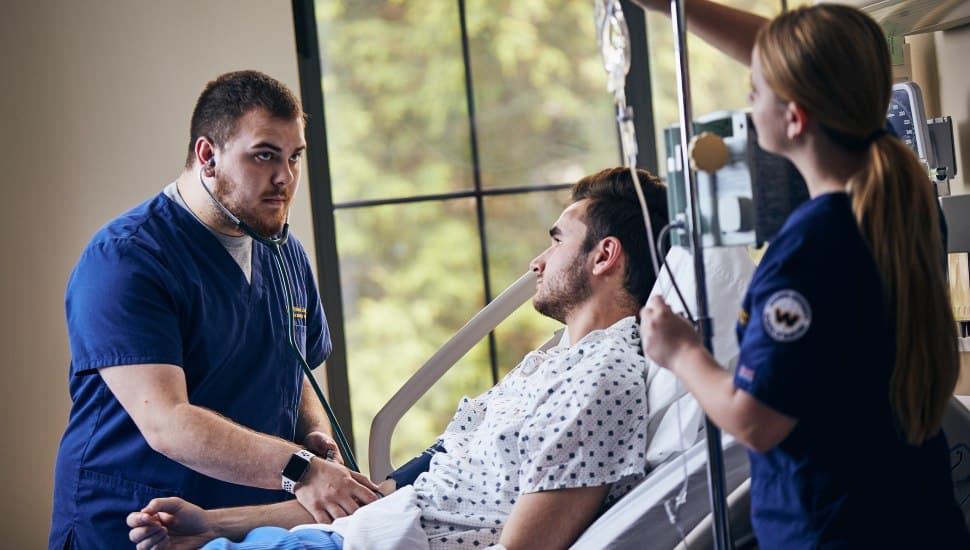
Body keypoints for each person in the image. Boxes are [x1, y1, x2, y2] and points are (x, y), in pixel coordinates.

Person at [127, 167, 674, 550]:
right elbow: (398, 488)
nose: (538, 260)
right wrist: (220, 525)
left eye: (557, 240)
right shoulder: (549, 367)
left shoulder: (603, 379)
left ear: (604, 255)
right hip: (349, 533)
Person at [633, 1, 969, 548]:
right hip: (917, 516)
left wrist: (679, 352)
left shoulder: (811, 249)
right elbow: (825, 66)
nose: (746, 102)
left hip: (836, 530)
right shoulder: (903, 202)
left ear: (794, 118)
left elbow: (755, 421)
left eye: (755, 92)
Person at [50, 71, 379, 550]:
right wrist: (300, 470)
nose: (284, 177)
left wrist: (313, 436)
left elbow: (293, 364)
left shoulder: (284, 252)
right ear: (207, 156)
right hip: (134, 525)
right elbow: (168, 422)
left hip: (239, 527)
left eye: (294, 157)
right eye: (264, 155)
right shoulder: (126, 259)